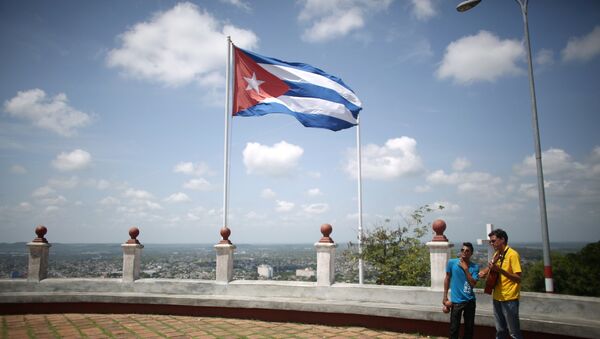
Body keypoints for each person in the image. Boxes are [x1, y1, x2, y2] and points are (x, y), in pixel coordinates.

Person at [479, 228, 523, 339]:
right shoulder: (497, 254)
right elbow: (491, 268)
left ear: (502, 239)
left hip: (510, 298)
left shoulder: (513, 254)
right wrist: (484, 272)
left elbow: (518, 278)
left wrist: (501, 271)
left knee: (514, 333)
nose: (491, 243)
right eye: (490, 241)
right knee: (500, 331)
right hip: (497, 297)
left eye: (493, 241)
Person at [443, 242, 479, 339]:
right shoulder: (452, 262)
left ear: (471, 253)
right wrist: (445, 296)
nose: (464, 252)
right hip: (456, 302)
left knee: (469, 329)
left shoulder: (475, 267)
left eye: (467, 251)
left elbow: (473, 284)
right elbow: (447, 278)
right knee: (454, 329)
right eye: (462, 250)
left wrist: (466, 269)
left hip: (470, 301)